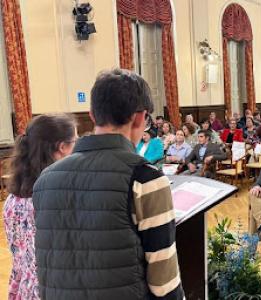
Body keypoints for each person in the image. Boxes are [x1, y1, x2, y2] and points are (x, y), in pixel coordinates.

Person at [32, 69, 184, 299]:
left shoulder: (46, 179)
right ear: (140, 118)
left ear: (92, 115)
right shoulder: (145, 178)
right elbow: (164, 285)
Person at [4, 114, 77, 300]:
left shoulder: (12, 199)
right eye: (75, 141)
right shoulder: (57, 198)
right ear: (62, 148)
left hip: (24, 289)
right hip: (51, 290)